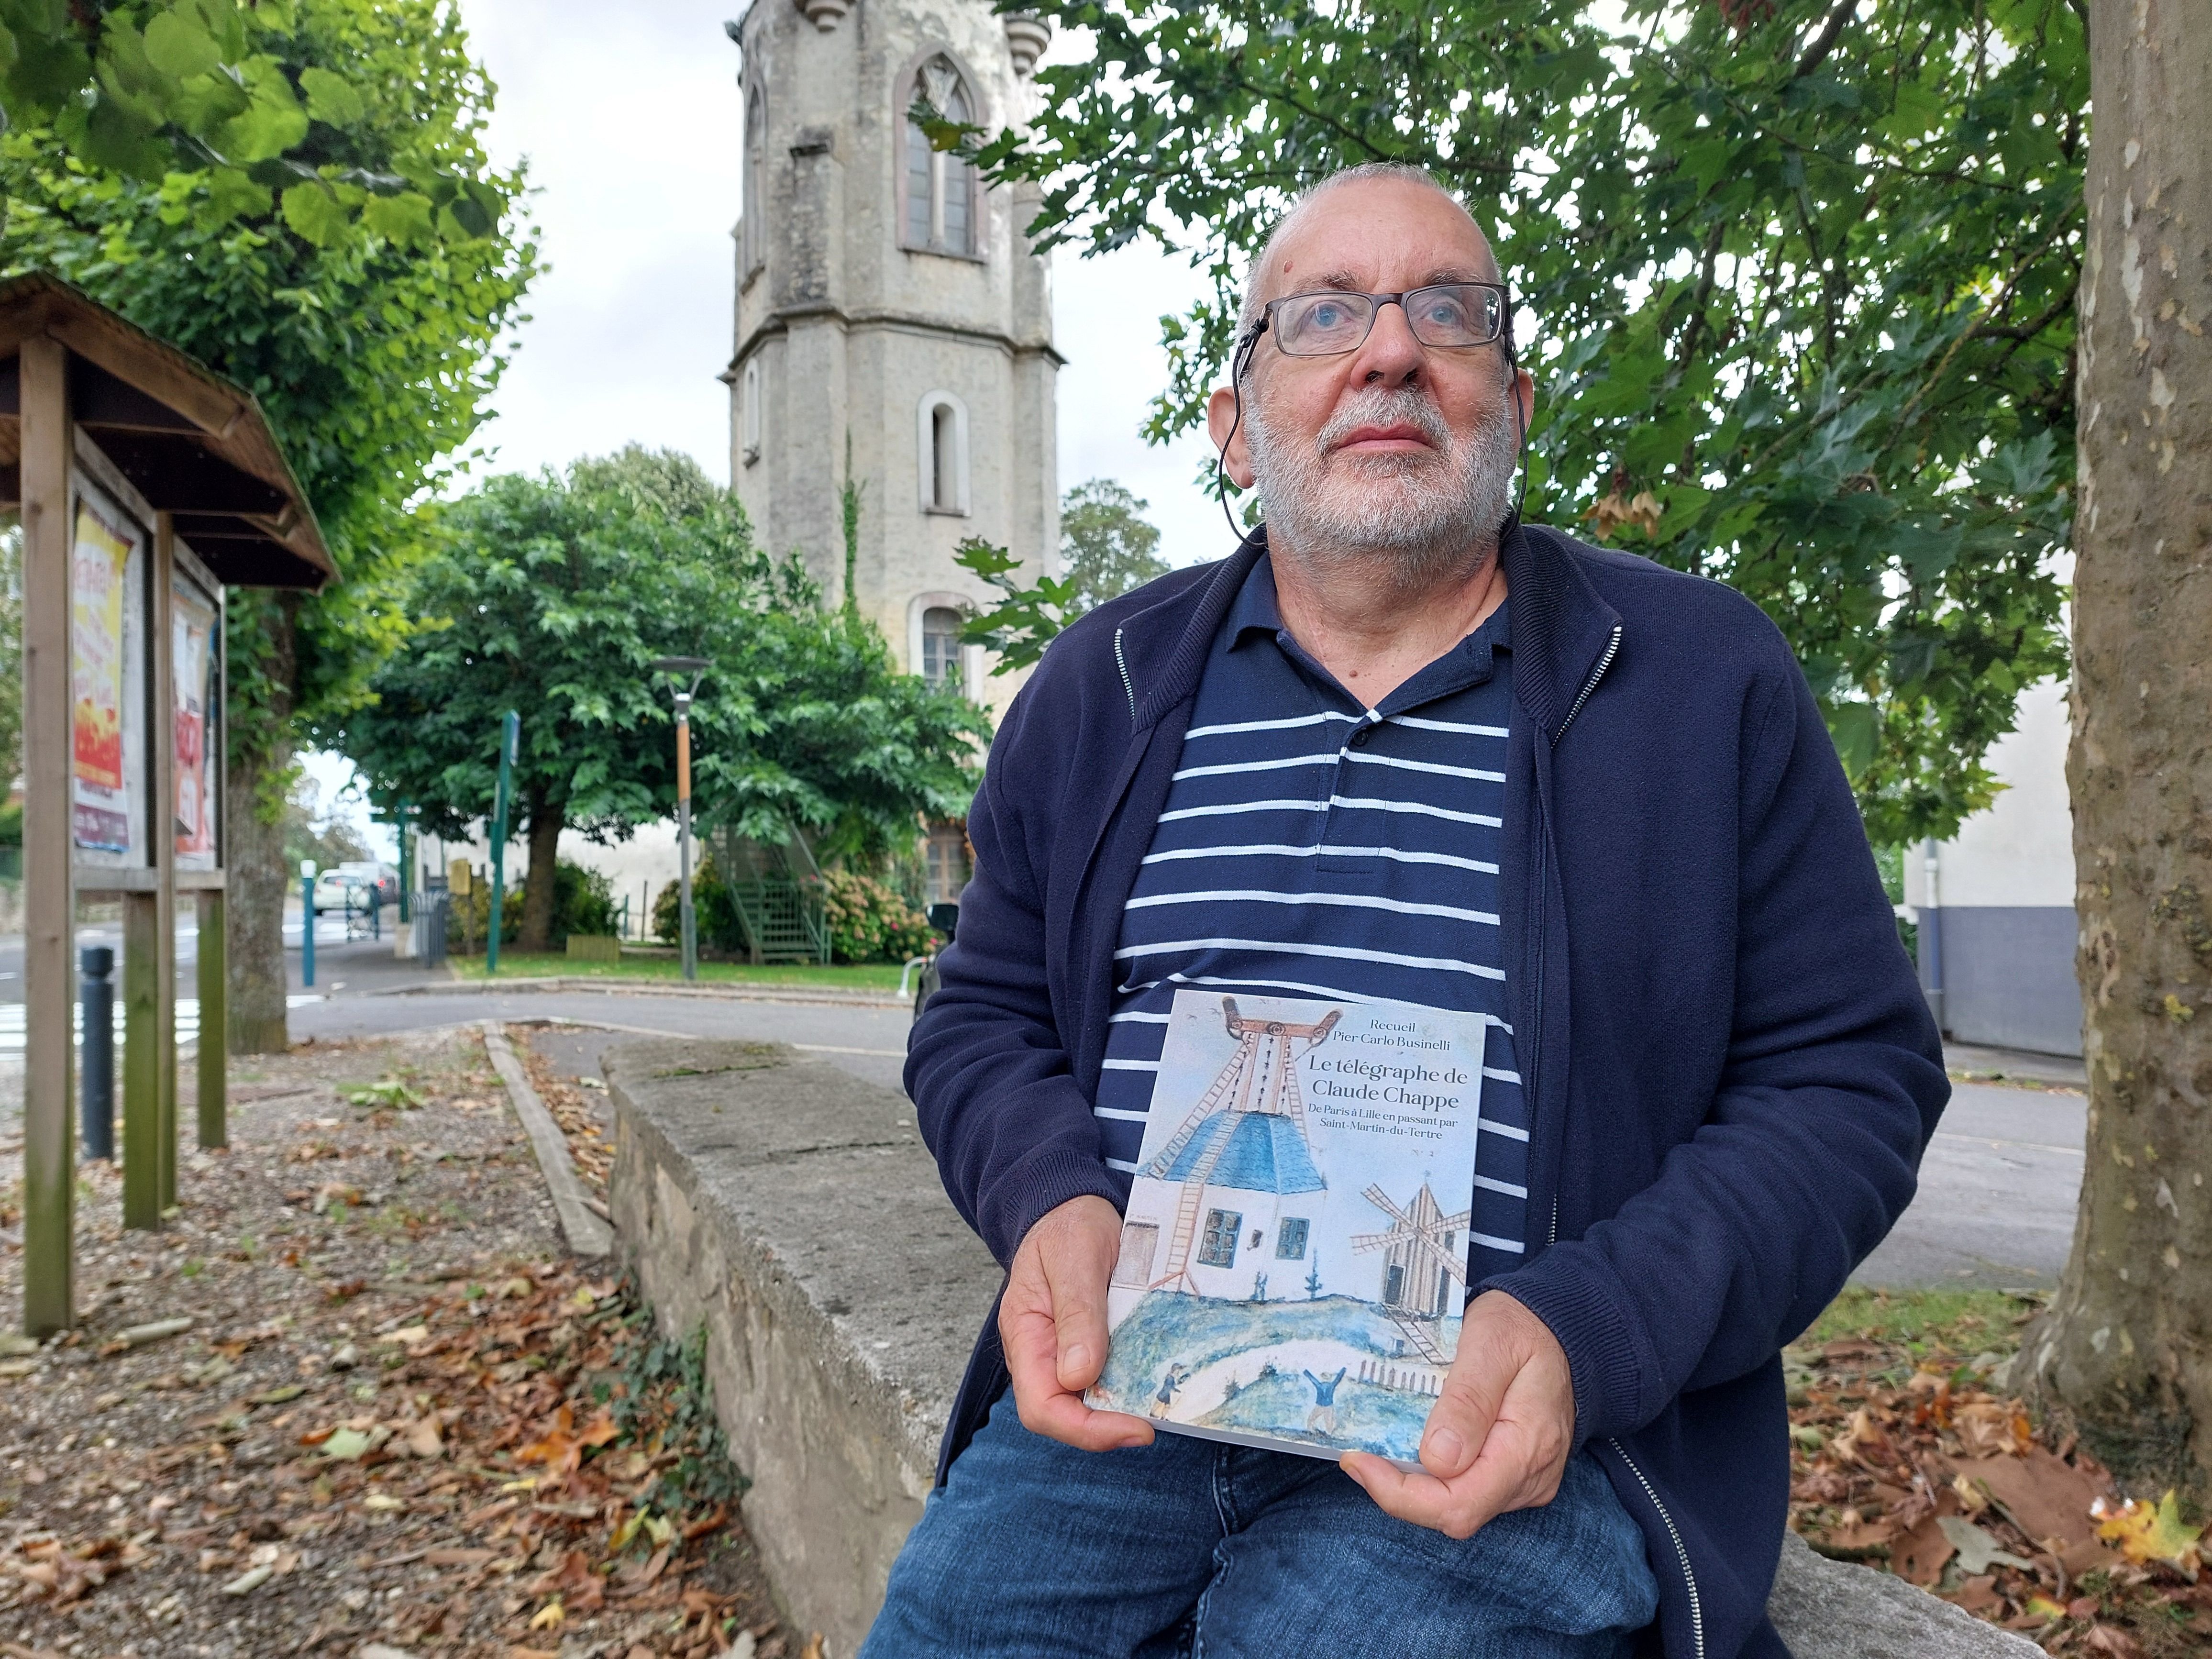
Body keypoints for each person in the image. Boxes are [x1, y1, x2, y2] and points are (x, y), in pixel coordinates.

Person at [869, 163, 1947, 1659]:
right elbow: (977, 1018)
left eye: (1442, 309)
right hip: (1140, 1385)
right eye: (1322, 314)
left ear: (1510, 395)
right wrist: (1043, 1195)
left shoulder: (1699, 683)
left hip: (1510, 1431)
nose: (1389, 349)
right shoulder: (1096, 688)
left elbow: (1848, 1079)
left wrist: (1589, 1328)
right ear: (1233, 423)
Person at [1304, 1367, 1348, 1436]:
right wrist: (1343, 1370)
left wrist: (1306, 1372)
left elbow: (1312, 1379)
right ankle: (1329, 1435)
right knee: (1329, 1423)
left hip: (1320, 1406)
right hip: (1329, 1407)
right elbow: (1338, 1378)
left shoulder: (1319, 1385)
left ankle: (1311, 1431)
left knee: (1311, 1419)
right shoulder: (1332, 1385)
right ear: (1329, 1379)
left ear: (1322, 1378)